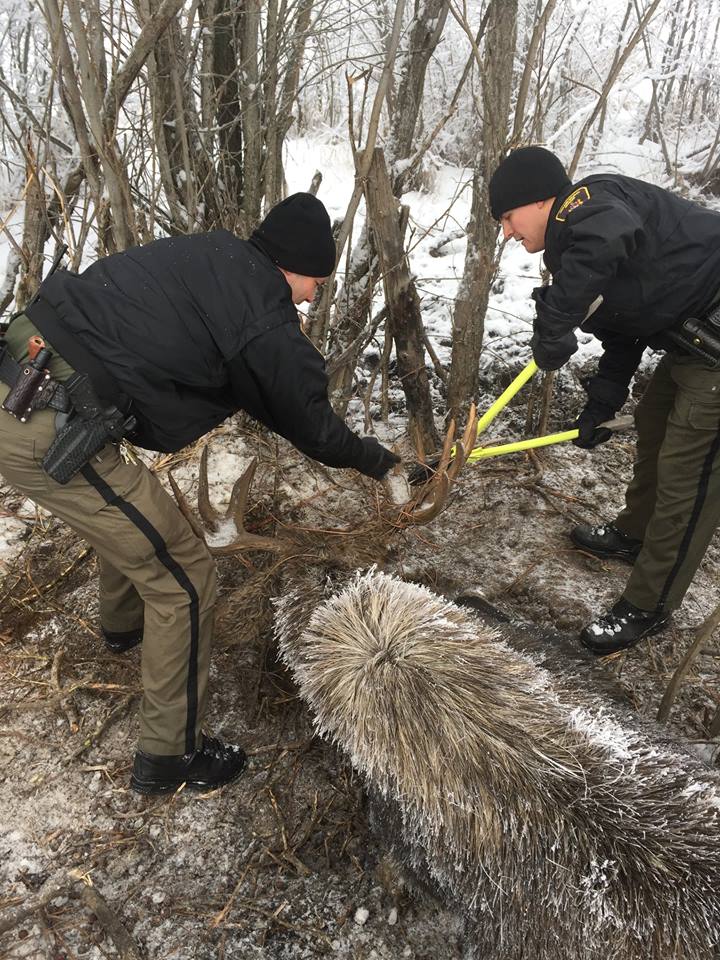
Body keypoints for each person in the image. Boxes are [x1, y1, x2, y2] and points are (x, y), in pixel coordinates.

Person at [0, 193, 399, 793]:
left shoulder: (211, 249)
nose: (313, 297)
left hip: (23, 371)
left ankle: (123, 628)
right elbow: (311, 422)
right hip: (41, 422)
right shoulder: (262, 314)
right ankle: (171, 756)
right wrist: (385, 464)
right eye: (316, 282)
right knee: (185, 576)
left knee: (130, 510)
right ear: (294, 265)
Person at [487, 146, 720, 656]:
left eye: (507, 217)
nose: (506, 232)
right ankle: (634, 534)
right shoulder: (577, 251)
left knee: (689, 476)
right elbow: (623, 332)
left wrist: (555, 320)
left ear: (540, 200)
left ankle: (650, 604)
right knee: (654, 429)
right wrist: (601, 404)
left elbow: (610, 235)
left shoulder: (590, 203)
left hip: (714, 347)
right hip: (693, 342)